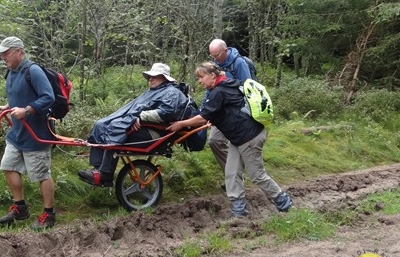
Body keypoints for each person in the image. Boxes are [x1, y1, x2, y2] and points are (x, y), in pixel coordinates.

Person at [168, 62, 292, 218]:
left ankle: (285, 203)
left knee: (257, 175)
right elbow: (225, 110)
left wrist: (181, 124)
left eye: (201, 77)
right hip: (238, 138)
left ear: (212, 75)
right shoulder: (227, 84)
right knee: (232, 173)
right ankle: (239, 212)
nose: (199, 81)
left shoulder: (219, 91)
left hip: (250, 137)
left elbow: (204, 116)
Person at [78, 63, 198, 187]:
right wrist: (131, 119)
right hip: (143, 128)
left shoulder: (171, 92)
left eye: (154, 77)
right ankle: (98, 169)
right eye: (149, 77)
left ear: (164, 78)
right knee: (101, 125)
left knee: (115, 130)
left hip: (155, 134)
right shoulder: (153, 91)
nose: (150, 79)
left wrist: (140, 117)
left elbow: (166, 112)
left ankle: (105, 174)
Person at [0, 36, 57, 230]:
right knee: (8, 166)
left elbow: (48, 97)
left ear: (19, 51)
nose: (3, 57)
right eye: (1, 53)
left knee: (41, 174)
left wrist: (27, 110)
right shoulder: (11, 71)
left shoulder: (33, 71)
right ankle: (20, 208)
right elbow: (19, 96)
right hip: (17, 133)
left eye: (6, 53)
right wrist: (7, 106)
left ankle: (49, 214)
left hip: (36, 133)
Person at [206, 39, 253, 177]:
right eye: (212, 56)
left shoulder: (239, 63)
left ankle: (234, 178)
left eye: (217, 55)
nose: (215, 59)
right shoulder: (214, 65)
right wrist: (206, 111)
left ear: (225, 50)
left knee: (238, 143)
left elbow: (247, 87)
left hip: (237, 112)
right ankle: (234, 175)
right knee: (214, 141)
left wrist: (226, 79)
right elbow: (209, 90)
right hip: (220, 111)